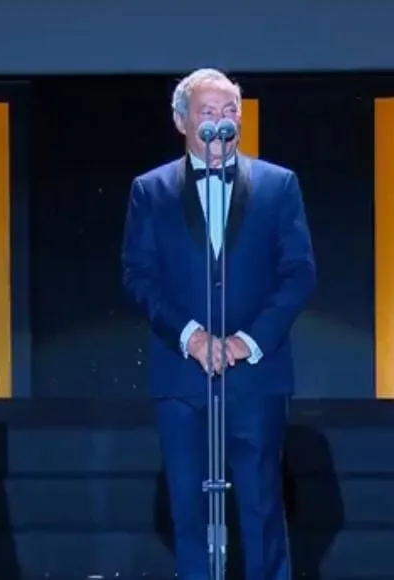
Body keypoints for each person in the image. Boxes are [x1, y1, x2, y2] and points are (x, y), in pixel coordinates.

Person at [122, 68, 315, 580]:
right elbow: (138, 275)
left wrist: (248, 341)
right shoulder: (151, 190)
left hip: (256, 374)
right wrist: (192, 337)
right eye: (207, 113)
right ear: (181, 121)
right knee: (188, 510)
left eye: (230, 112)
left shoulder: (278, 185)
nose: (220, 124)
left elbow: (299, 273)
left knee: (262, 506)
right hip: (181, 375)